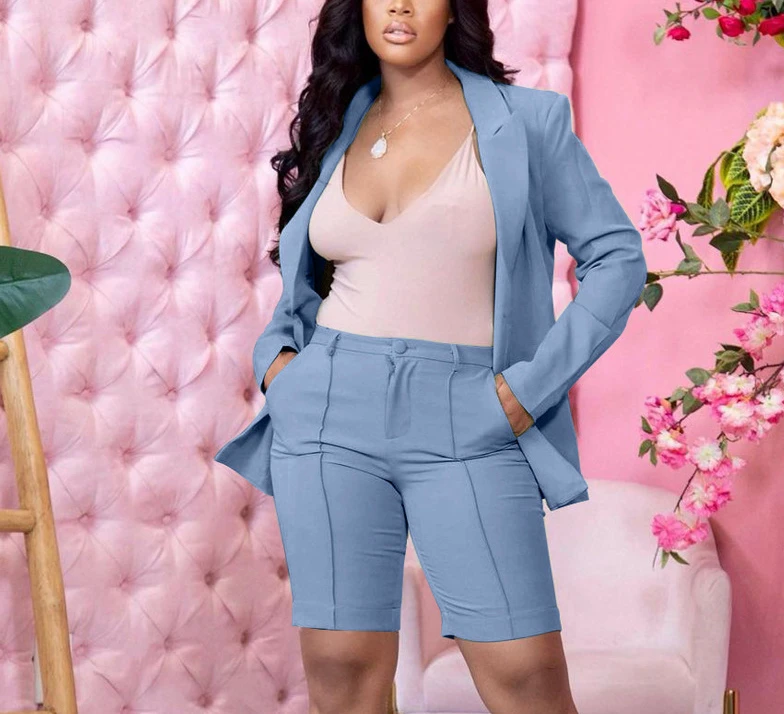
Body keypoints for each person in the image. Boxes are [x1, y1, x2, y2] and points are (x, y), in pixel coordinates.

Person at [216, 1, 648, 712]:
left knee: (524, 674)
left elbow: (618, 259)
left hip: (471, 413)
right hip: (325, 413)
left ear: (455, 10)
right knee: (342, 669)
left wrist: (527, 391)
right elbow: (305, 276)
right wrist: (278, 362)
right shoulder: (336, 120)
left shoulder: (527, 122)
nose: (400, 5)